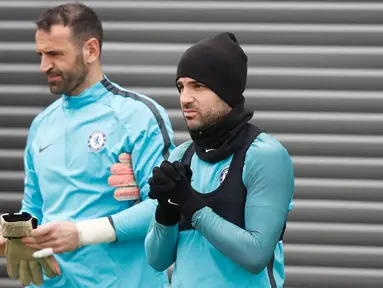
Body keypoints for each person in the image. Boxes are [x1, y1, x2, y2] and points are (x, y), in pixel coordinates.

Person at [0, 3, 174, 288]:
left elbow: (162, 206)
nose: (44, 66)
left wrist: (81, 233)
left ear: (91, 50)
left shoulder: (138, 116)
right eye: (41, 55)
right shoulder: (41, 125)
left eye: (55, 54)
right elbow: (33, 210)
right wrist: (14, 236)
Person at [145, 32, 295, 287]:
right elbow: (157, 260)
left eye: (198, 86)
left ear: (227, 90)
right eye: (181, 86)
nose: (184, 98)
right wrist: (166, 211)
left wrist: (192, 206)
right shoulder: (183, 156)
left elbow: (256, 255)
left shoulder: (264, 155)